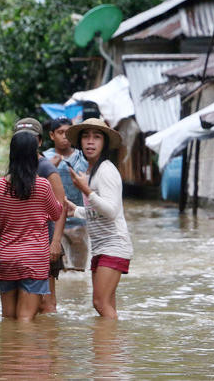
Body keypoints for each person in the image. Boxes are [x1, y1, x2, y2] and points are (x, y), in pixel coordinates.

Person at [64, 118, 132, 319]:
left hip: (114, 245)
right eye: (86, 137)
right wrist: (76, 210)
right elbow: (98, 211)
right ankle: (110, 349)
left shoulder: (106, 170)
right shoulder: (91, 171)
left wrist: (85, 190)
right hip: (101, 246)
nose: (90, 142)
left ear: (105, 143)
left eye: (96, 137)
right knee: (106, 304)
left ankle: (108, 347)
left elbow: (111, 211)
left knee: (100, 303)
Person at [0, 131, 63, 321]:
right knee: (25, 320)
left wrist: (10, 240)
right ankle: (24, 350)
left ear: (11, 154)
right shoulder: (43, 186)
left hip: (7, 257)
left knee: (8, 318)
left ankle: (9, 350)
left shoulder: (0, 186)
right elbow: (56, 213)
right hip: (34, 259)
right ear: (35, 155)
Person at [13, 118, 66, 314]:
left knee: (47, 303)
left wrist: (56, 242)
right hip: (23, 244)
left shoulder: (46, 169)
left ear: (40, 142)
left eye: (32, 139)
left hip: (45, 241)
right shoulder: (15, 168)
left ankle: (49, 341)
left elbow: (61, 209)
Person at [43, 117, 90, 272]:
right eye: (60, 132)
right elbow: (36, 183)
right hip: (54, 223)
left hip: (79, 220)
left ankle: (76, 295)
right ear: (51, 135)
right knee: (58, 269)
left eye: (67, 133)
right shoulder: (44, 158)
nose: (64, 136)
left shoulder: (84, 157)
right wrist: (50, 167)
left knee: (78, 270)